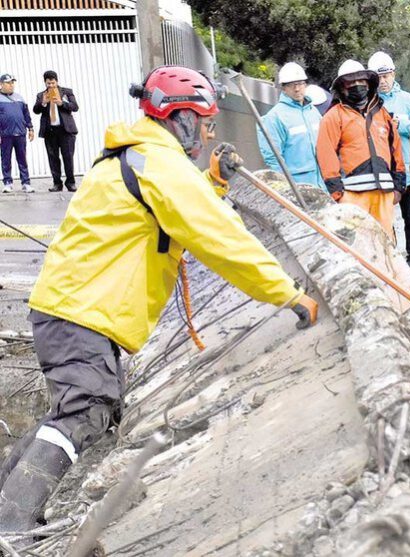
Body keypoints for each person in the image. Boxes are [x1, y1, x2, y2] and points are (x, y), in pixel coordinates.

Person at [0, 65, 319, 535]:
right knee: (86, 409)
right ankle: (11, 521)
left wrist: (212, 183)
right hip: (82, 312)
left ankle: (9, 506)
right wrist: (288, 293)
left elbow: (172, 211)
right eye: (205, 122)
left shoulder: (138, 155)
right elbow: (218, 236)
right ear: (182, 118)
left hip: (72, 307)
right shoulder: (160, 163)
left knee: (77, 410)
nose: (209, 133)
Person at [316, 60, 405, 241]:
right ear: (342, 87)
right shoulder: (333, 116)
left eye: (361, 81)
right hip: (352, 195)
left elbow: (395, 150)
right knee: (357, 246)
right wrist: (337, 192)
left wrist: (399, 185)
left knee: (386, 243)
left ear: (368, 83)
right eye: (351, 82)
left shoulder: (382, 114)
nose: (357, 86)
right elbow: (326, 154)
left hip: (383, 193)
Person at [369, 50, 410, 275]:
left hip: (407, 171)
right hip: (382, 172)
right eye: (379, 77)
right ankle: (391, 257)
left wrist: (404, 124)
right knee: (385, 217)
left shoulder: (409, 100)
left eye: (386, 76)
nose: (383, 81)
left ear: (394, 74)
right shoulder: (370, 103)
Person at [257, 62, 322, 189]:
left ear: (305, 84)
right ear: (284, 88)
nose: (297, 89)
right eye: (292, 85)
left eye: (300, 84)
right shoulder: (274, 117)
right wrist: (285, 188)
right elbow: (273, 159)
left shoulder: (313, 111)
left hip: (322, 183)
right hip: (297, 187)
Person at [33, 71, 79, 192]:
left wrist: (62, 103)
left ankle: (71, 182)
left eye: (53, 83)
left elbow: (75, 107)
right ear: (45, 83)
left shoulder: (67, 92)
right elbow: (35, 110)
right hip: (50, 131)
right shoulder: (41, 95)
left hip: (66, 130)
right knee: (53, 158)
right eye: (49, 83)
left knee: (68, 157)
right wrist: (43, 103)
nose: (51, 86)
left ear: (57, 81)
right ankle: (57, 183)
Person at [0, 74, 34, 193]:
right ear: (1, 85)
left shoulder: (19, 98)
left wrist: (30, 128)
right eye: (8, 83)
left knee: (22, 159)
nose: (11, 85)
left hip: (20, 134)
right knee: (6, 159)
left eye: (12, 82)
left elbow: (26, 114)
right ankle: (8, 183)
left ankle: (26, 183)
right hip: (5, 135)